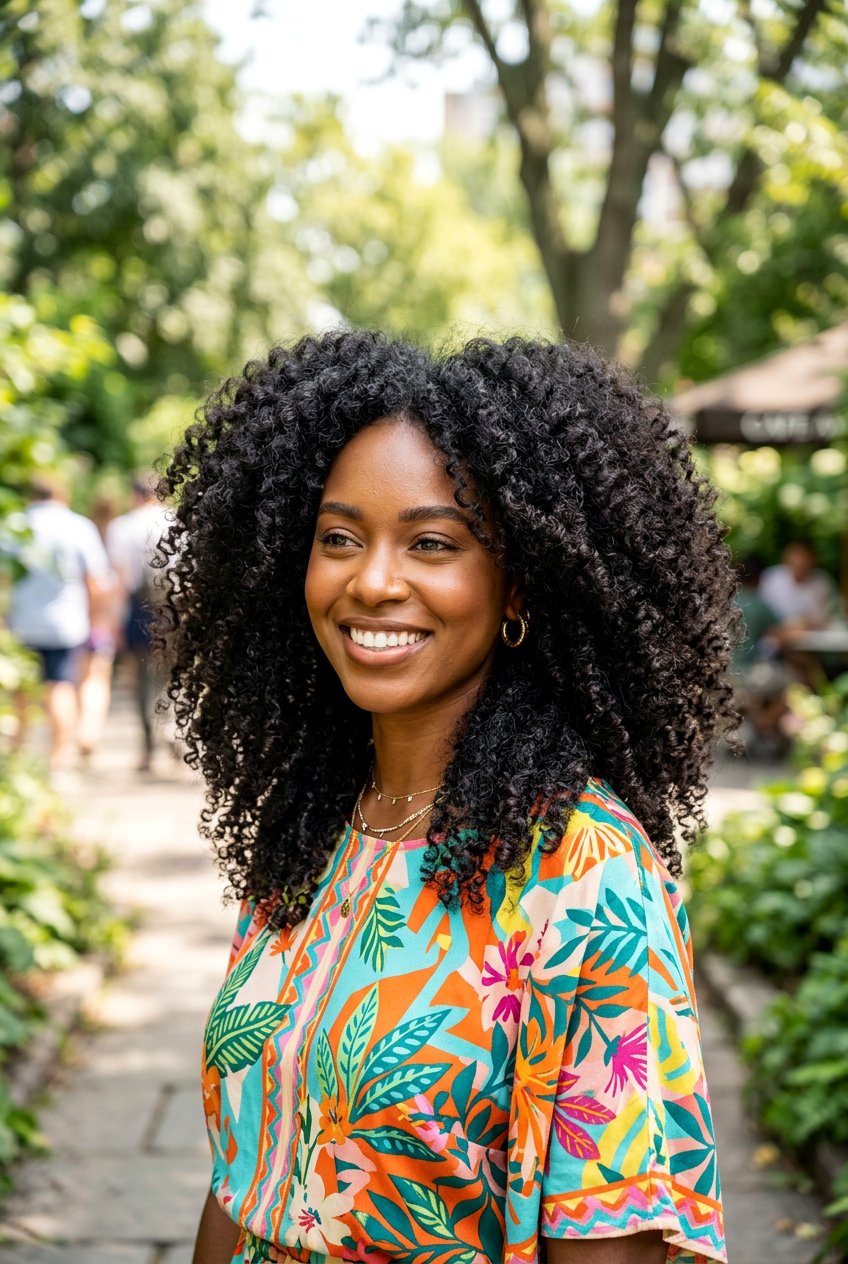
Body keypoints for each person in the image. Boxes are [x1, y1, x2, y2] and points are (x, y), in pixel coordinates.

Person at [159, 333, 739, 1264]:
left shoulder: (585, 874)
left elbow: (611, 1238)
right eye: (339, 538)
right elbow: (247, 1178)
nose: (372, 581)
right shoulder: (314, 833)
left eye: (431, 543)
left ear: (517, 585)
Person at [7, 475, 111, 783]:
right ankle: (58, 764)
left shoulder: (14, 525)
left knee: (20, 694)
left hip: (20, 623)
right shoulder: (78, 526)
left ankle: (16, 762)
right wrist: (97, 620)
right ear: (62, 494)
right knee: (61, 689)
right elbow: (96, 581)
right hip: (65, 623)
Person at [107, 474, 173, 771]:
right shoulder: (177, 520)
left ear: (136, 494)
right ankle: (172, 729)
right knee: (174, 671)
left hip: (139, 605)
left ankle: (149, 745)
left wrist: (115, 620)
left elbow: (121, 578)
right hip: (177, 605)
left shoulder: (123, 526)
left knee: (142, 675)